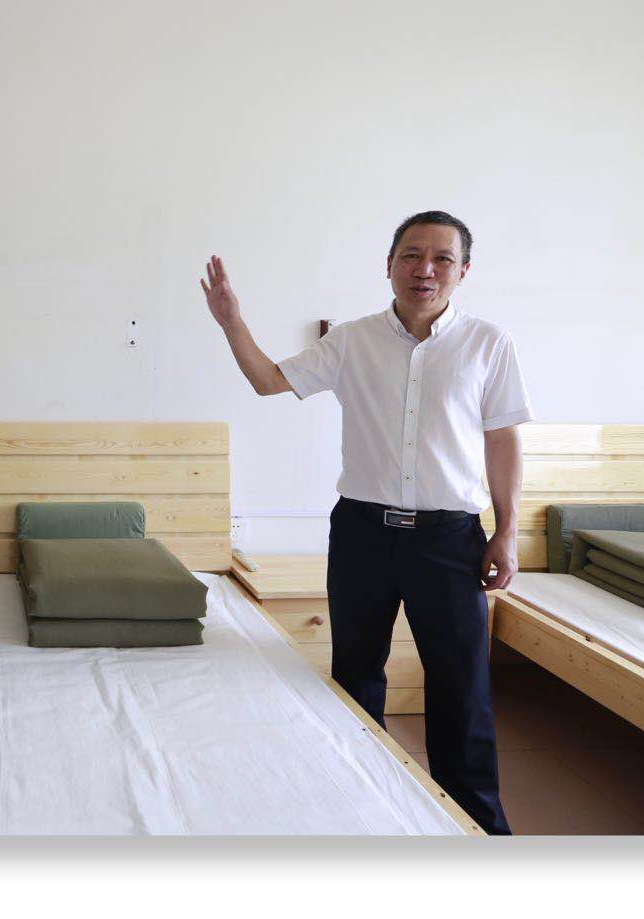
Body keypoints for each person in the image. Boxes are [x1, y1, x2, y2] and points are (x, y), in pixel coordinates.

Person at [202, 210, 530, 834]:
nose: (424, 269)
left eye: (441, 258)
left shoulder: (488, 344)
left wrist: (507, 529)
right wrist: (231, 322)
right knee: (354, 676)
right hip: (363, 534)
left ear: (463, 271)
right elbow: (269, 382)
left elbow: (502, 440)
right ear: (389, 265)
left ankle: (479, 827)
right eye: (411, 255)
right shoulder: (352, 340)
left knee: (461, 687)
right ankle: (357, 812)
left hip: (449, 538)